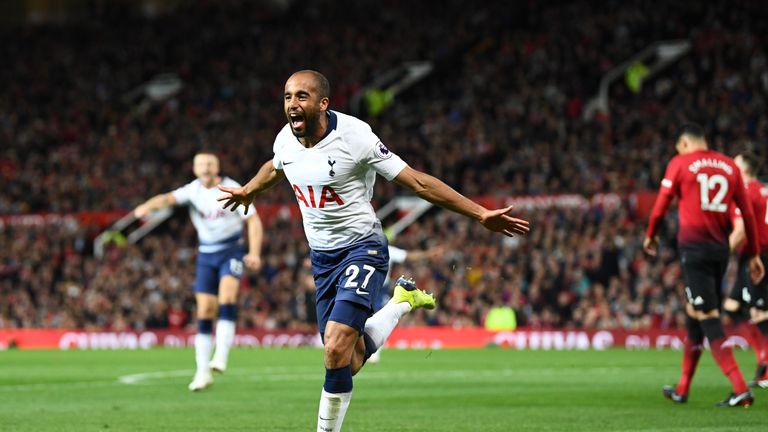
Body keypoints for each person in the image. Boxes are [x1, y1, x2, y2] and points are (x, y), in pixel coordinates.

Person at [218, 70, 529, 432]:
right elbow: (275, 167)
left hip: (363, 247)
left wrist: (479, 213)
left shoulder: (355, 137)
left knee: (334, 348)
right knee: (348, 361)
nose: (292, 104)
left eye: (302, 96)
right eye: (287, 96)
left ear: (323, 103)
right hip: (322, 258)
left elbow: (418, 182)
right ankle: (400, 302)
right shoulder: (286, 139)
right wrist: (249, 190)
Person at [643, 124, 765, 407]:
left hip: (694, 250)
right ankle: (683, 387)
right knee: (694, 314)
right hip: (720, 251)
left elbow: (662, 203)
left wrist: (651, 234)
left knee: (708, 316)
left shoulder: (681, 163)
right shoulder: (728, 166)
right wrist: (754, 254)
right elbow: (746, 213)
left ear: (685, 143)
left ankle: (739, 388)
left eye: (678, 147)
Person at [134, 151, 263, 391]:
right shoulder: (192, 191)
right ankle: (202, 371)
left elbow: (253, 220)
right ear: (194, 169)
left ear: (217, 167)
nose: (205, 167)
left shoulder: (231, 188)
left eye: (209, 163)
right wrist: (146, 207)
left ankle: (221, 356)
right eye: (201, 164)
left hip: (231, 250)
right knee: (204, 310)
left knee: (226, 297)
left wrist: (254, 253)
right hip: (206, 254)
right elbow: (166, 199)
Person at [726, 151, 768, 388]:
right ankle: (762, 360)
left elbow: (741, 230)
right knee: (733, 306)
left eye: (736, 163)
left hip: (757, 256)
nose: (732, 165)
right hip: (756, 254)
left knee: (760, 312)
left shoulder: (747, 191)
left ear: (746, 169)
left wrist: (721, 255)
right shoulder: (763, 189)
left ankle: (766, 368)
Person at [367, 244, 446, 364]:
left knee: (381, 316)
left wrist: (428, 254)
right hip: (364, 287)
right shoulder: (361, 247)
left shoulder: (386, 249)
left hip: (380, 288)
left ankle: (374, 352)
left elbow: (408, 256)